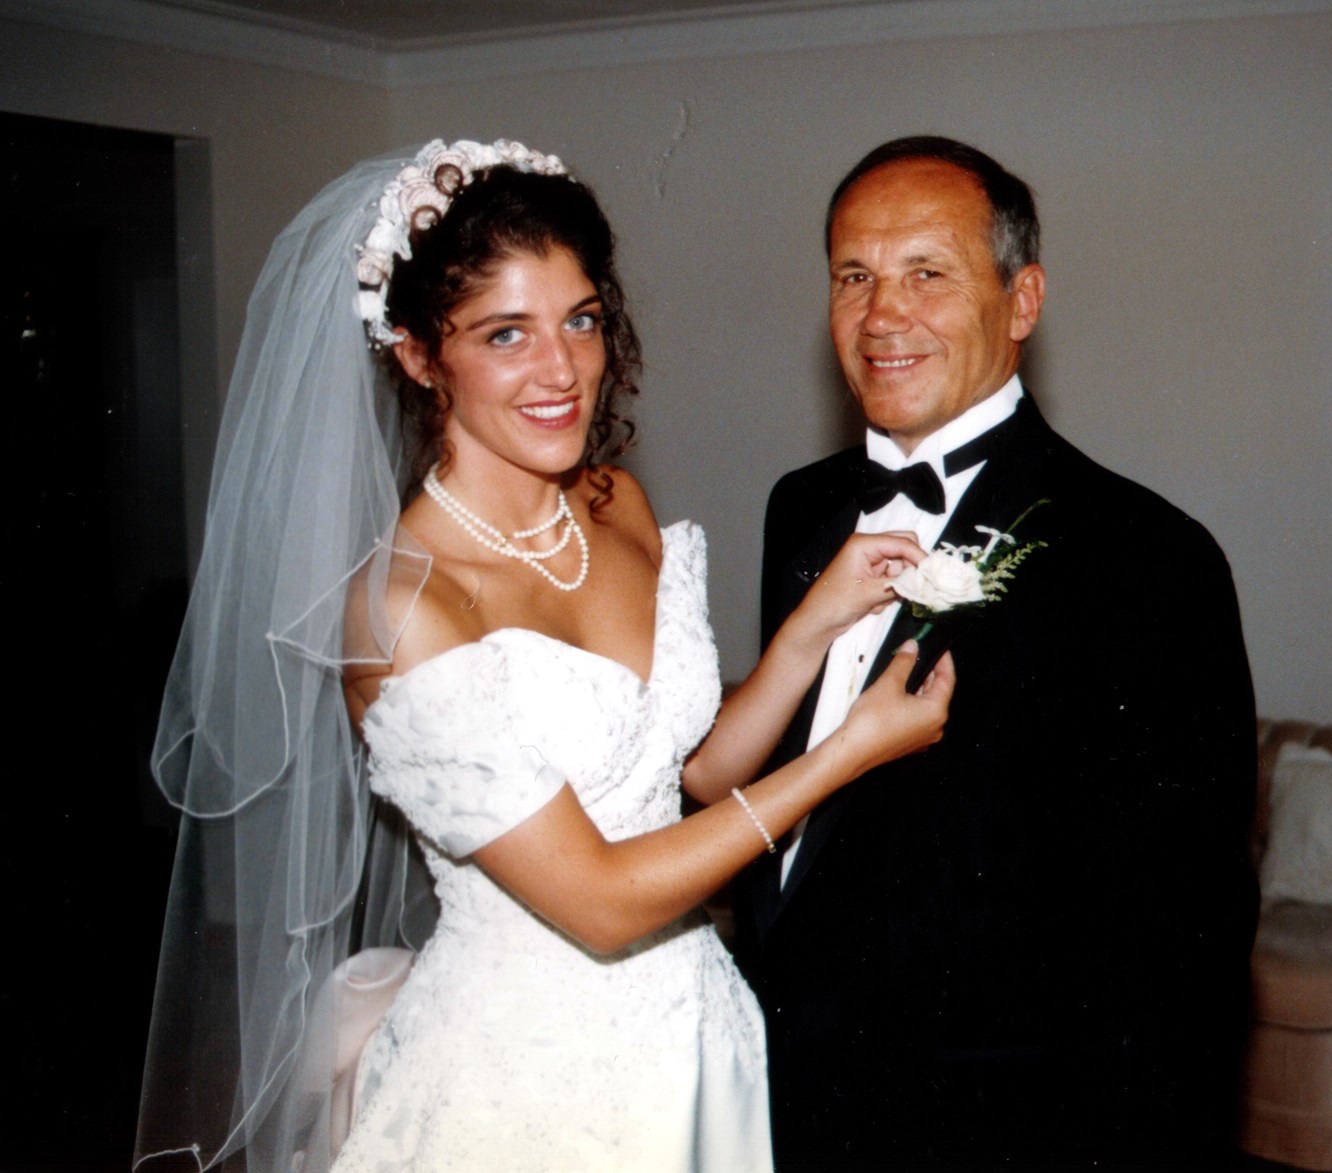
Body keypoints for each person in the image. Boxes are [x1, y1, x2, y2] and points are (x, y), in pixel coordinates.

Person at [135, 140, 952, 1173]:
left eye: (581, 319)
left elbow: (697, 773)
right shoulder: (405, 610)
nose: (561, 370)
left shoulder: (616, 504)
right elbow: (602, 903)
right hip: (522, 1084)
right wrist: (844, 755)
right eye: (505, 334)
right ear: (418, 355)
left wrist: (814, 623)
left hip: (694, 1045)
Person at [732, 136, 1259, 1168]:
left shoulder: (1147, 555)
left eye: (927, 273)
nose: (881, 316)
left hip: (996, 1126)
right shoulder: (800, 509)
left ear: (1022, 301)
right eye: (853, 276)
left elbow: (1182, 939)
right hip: (781, 1093)